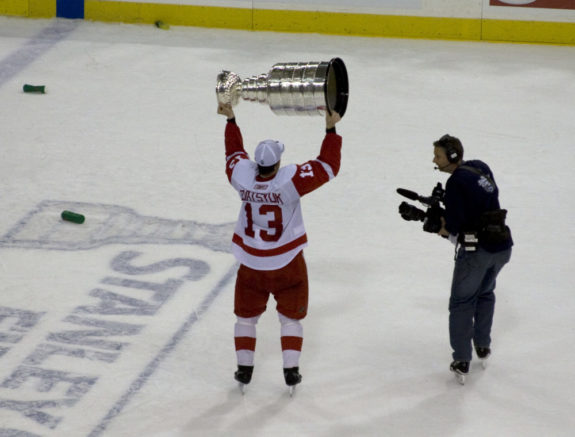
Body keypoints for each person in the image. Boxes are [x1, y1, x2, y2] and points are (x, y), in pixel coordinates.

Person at [217, 102, 342, 389]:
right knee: (290, 318)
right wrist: (330, 128)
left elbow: (233, 153)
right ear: (277, 164)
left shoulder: (242, 177)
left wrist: (231, 119)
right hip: (287, 261)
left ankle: (244, 370)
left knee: (245, 318)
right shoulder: (290, 181)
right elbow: (328, 165)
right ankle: (291, 370)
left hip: (250, 262)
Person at [433, 134, 513, 384]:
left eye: (438, 156)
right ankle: (483, 346)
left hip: (477, 252)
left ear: (452, 157)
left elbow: (455, 226)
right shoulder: (480, 166)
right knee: (485, 293)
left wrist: (441, 225)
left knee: (461, 302)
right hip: (501, 247)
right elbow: (486, 199)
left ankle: (462, 359)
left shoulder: (455, 182)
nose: (434, 160)